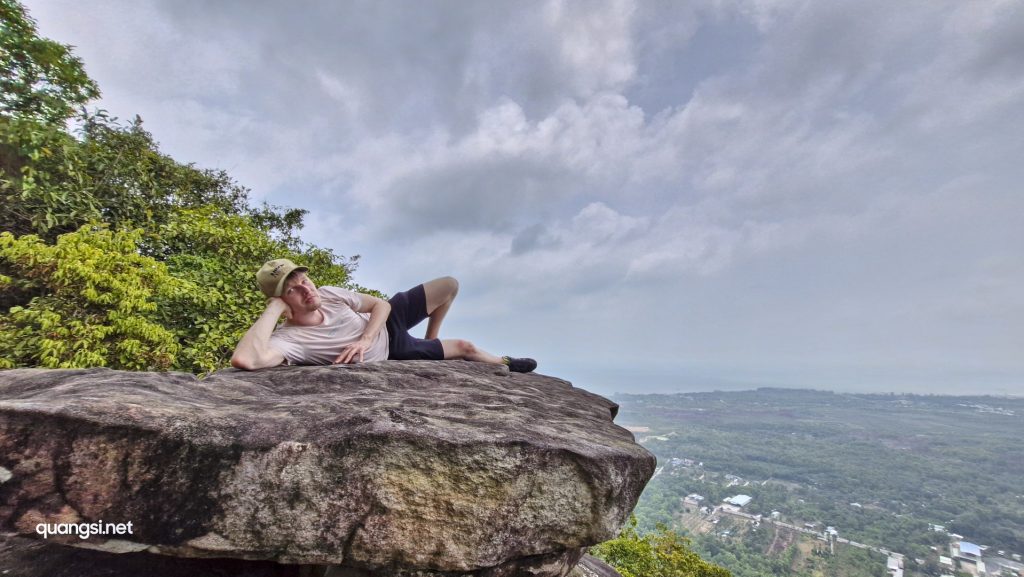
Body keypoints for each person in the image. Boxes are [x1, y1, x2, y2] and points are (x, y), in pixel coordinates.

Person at [230, 258, 537, 373]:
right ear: (281, 300)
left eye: (305, 280)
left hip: (385, 325)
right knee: (466, 348)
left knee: (449, 285)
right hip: (395, 351)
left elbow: (381, 305)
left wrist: (364, 338)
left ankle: (432, 338)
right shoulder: (290, 340)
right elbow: (246, 360)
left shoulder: (329, 293)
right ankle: (505, 363)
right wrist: (273, 310)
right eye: (294, 290)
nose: (307, 290)